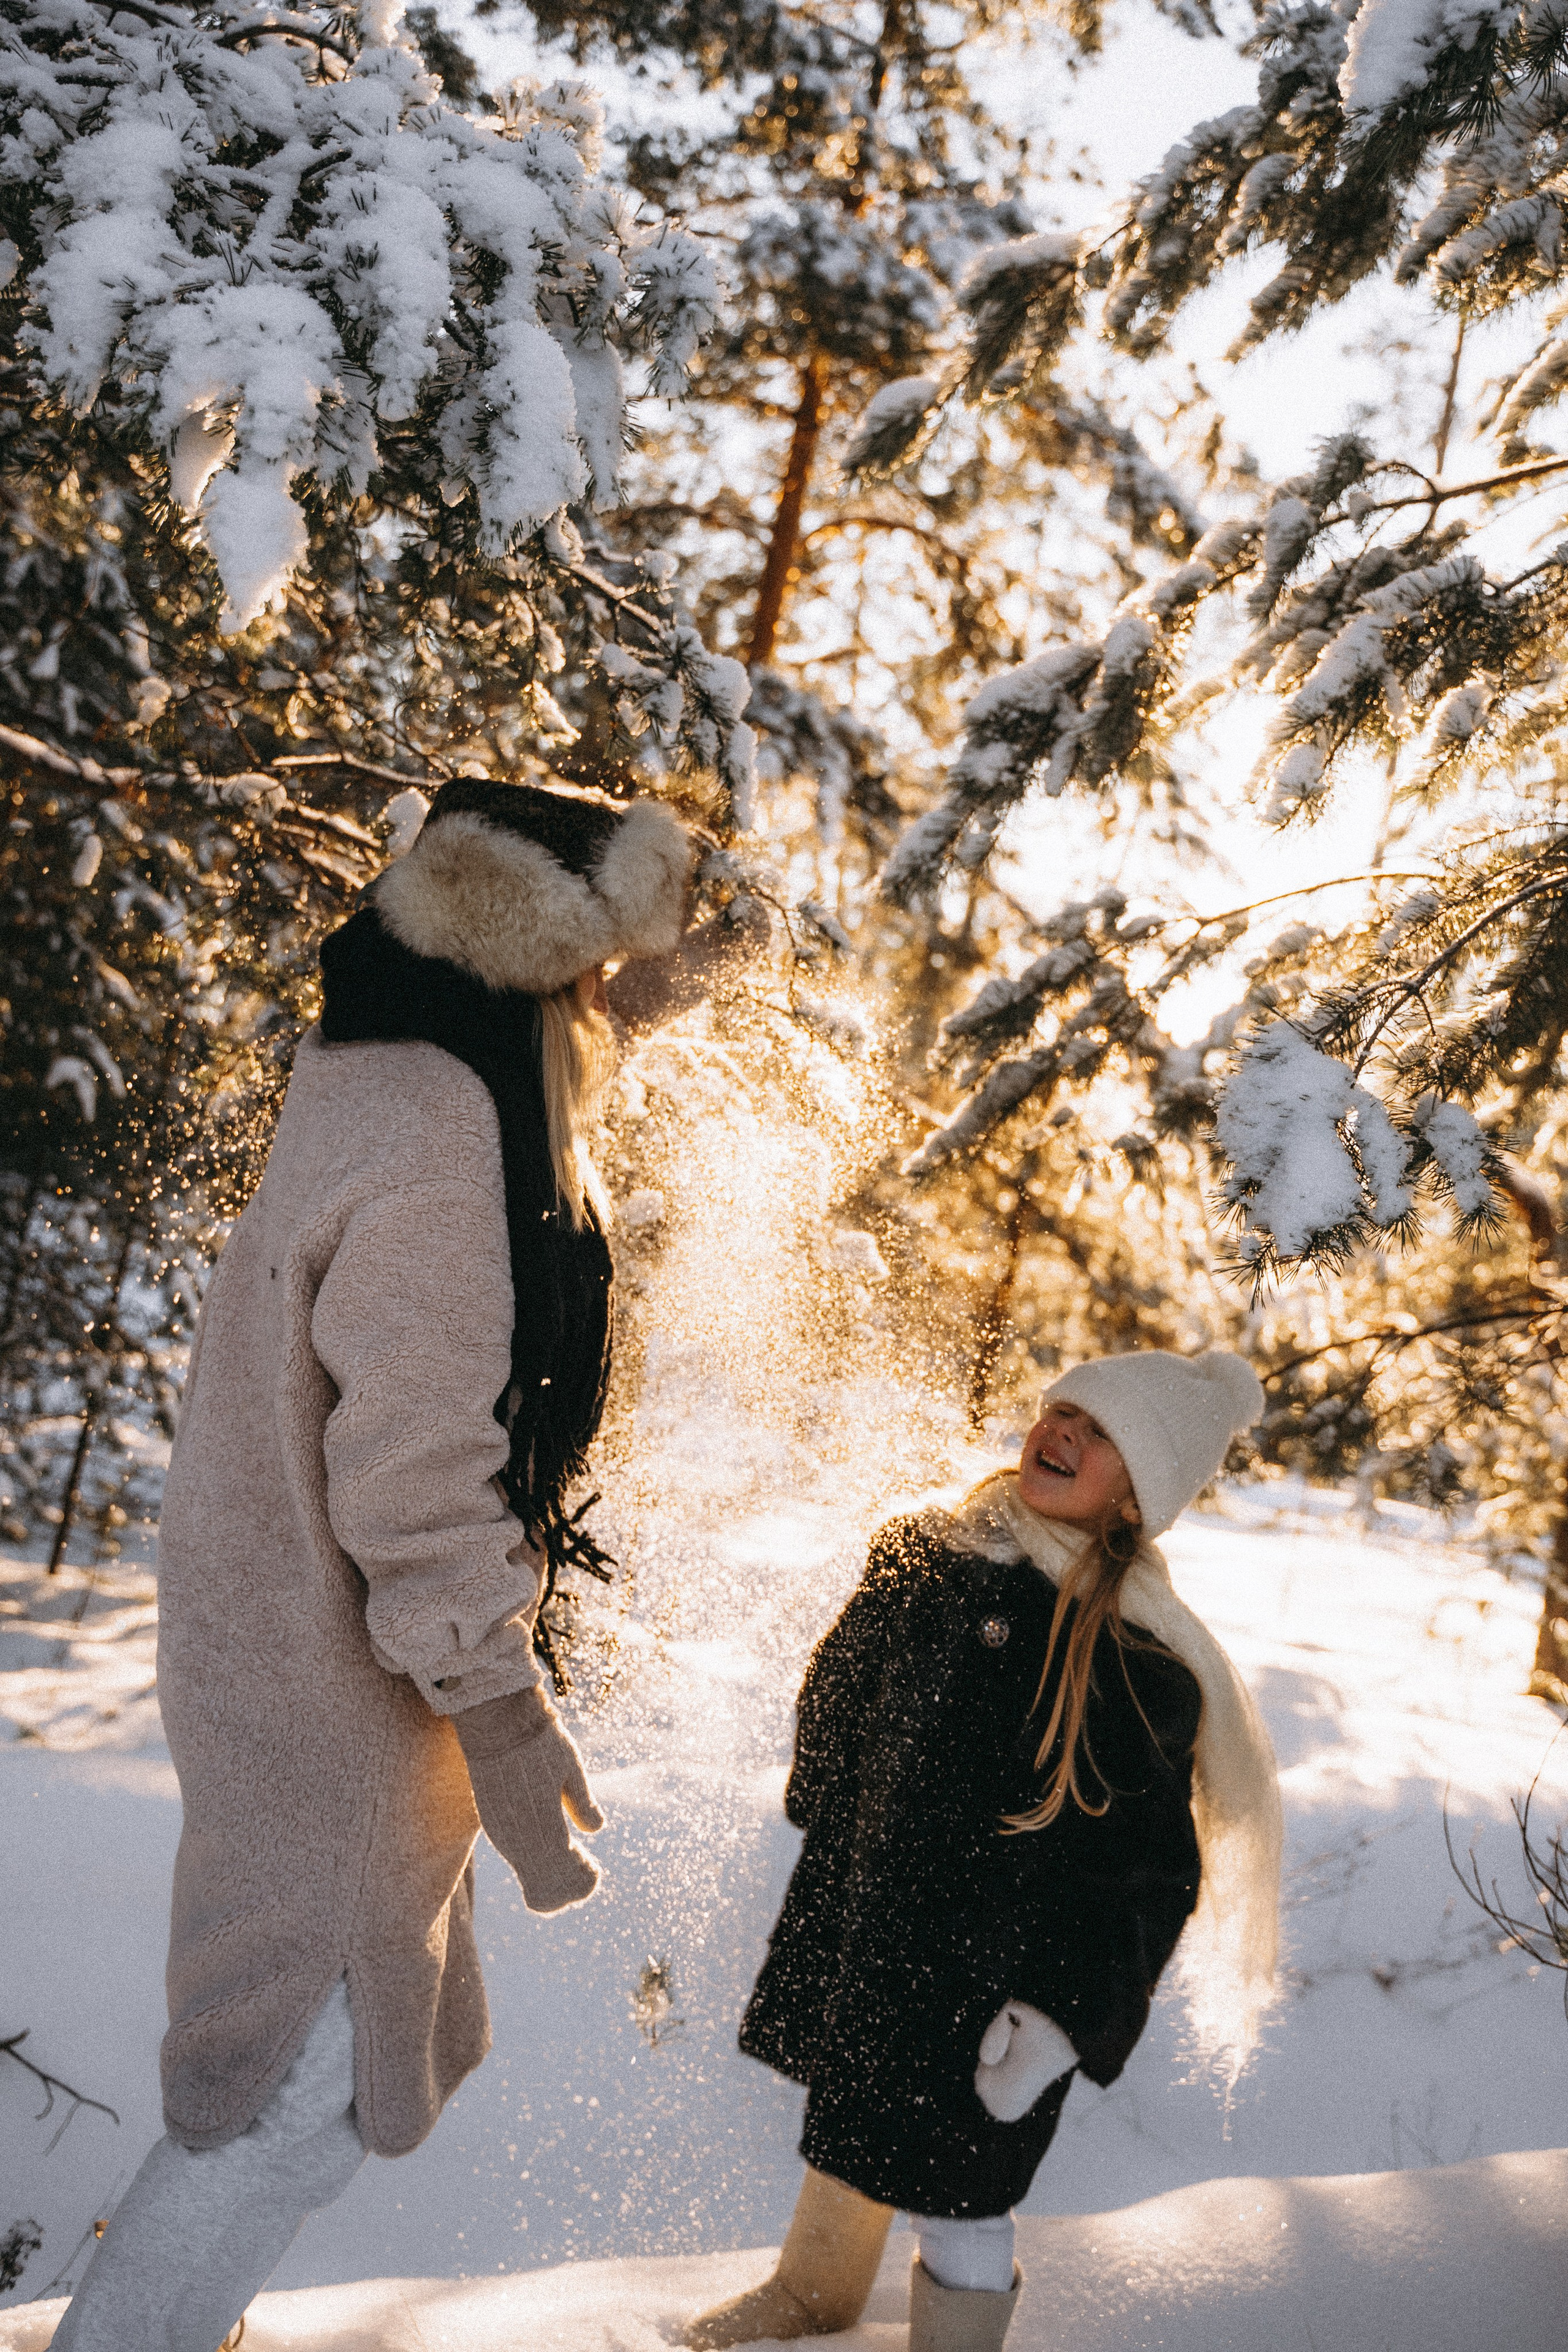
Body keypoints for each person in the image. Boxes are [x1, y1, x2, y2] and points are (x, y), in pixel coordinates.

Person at [52, 776, 753, 2352]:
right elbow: (414, 1482)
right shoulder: (449, 1136)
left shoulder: (376, 1061)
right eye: (595, 978)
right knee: (292, 2083)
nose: (604, 1013)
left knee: (290, 2056)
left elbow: (541, 1043)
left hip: (272, 1625)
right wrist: (503, 1720)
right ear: (538, 966)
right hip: (334, 1672)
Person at [685, 1348, 1283, 2352]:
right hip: (879, 1925)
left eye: (1100, 1434)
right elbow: (838, 1689)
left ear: (1138, 1495)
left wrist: (1058, 2019)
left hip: (997, 1987)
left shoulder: (1137, 1661)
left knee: (961, 2187)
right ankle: (811, 2295)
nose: (1062, 1432)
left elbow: (1146, 1879)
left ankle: (956, 2339)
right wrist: (832, 1808)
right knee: (853, 2127)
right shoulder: (929, 1553)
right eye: (1061, 1409)